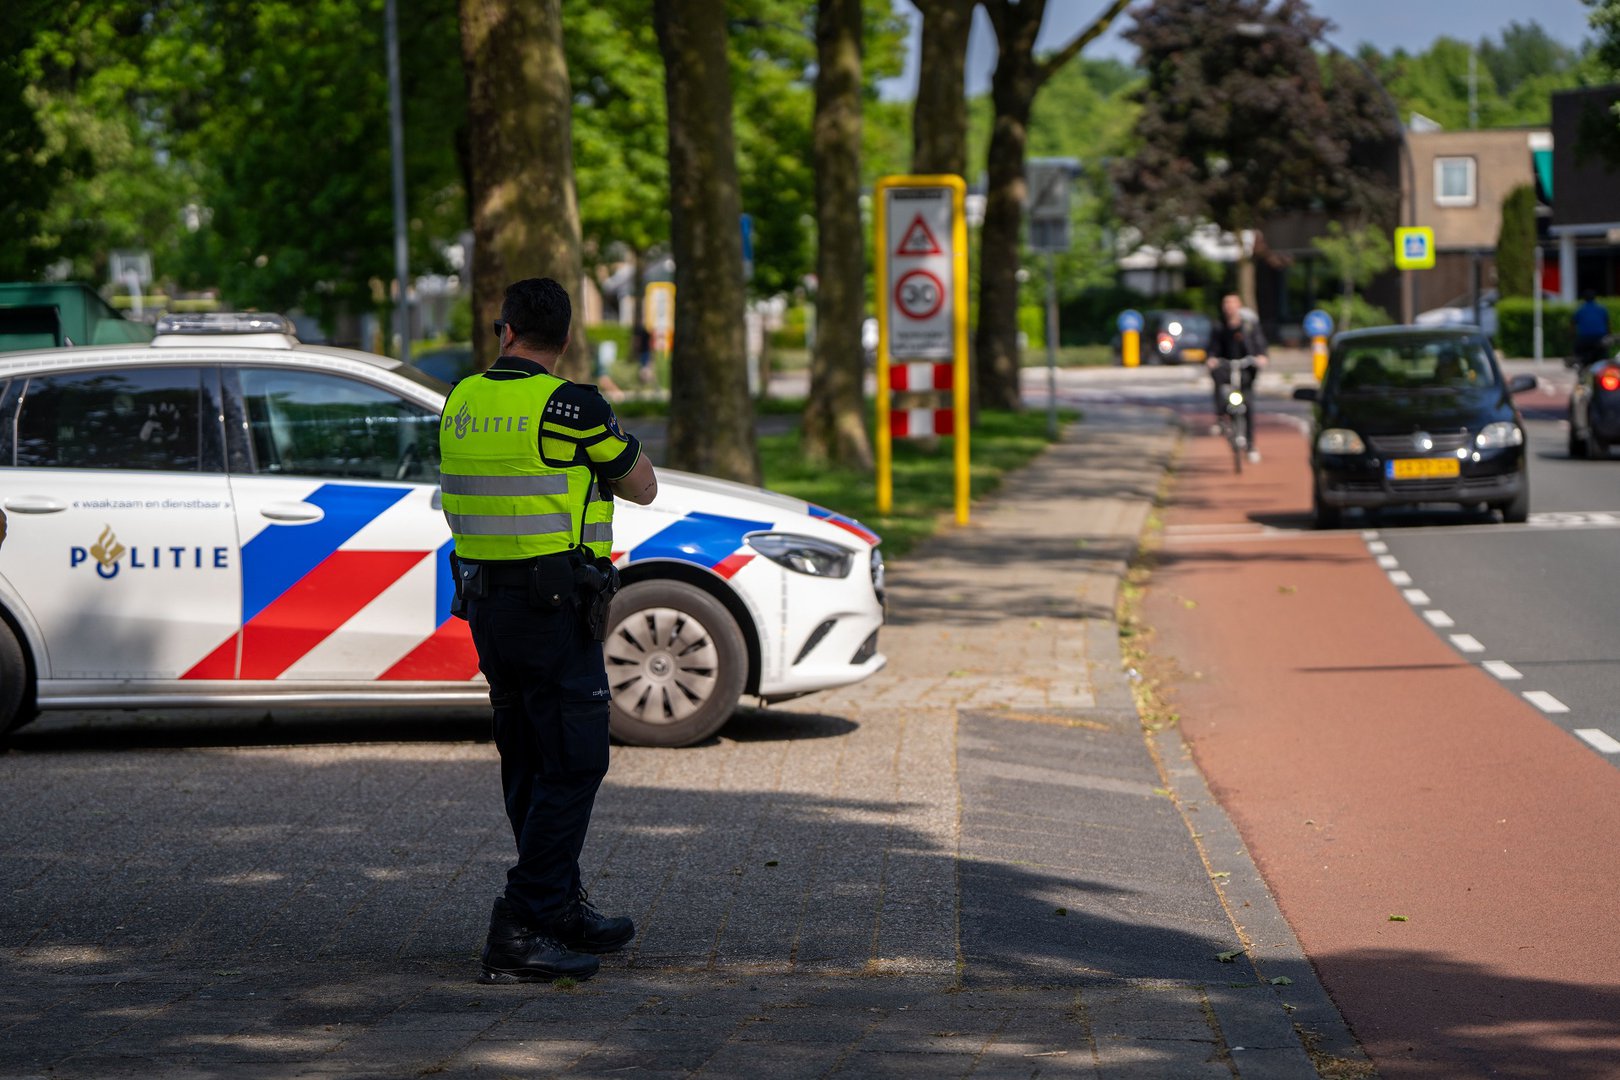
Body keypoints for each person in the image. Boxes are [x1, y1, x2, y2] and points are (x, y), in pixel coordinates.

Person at [439, 277, 658, 985]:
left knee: (528, 759)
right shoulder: (571, 405)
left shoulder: (462, 399)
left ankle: (559, 905)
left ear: (503, 330)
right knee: (574, 762)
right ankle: (522, 922)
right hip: (553, 609)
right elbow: (642, 484)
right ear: (565, 338)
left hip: (487, 609)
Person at [1207, 293, 1269, 463]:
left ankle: (1250, 445)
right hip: (1226, 367)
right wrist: (1211, 358)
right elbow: (1213, 347)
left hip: (1245, 368)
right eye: (1226, 304)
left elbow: (1259, 343)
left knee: (1247, 404)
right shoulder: (1219, 326)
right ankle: (1221, 418)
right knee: (1218, 386)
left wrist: (1261, 356)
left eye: (1232, 304)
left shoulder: (1248, 325)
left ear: (1239, 306)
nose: (1229, 307)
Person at [1572, 291, 1611, 367]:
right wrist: (1608, 334)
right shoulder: (1601, 309)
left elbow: (1573, 324)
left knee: (1579, 355)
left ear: (1584, 299)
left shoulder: (1580, 309)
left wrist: (1573, 336)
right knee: (1603, 357)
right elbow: (1608, 324)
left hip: (1585, 338)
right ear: (1595, 298)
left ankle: (1579, 365)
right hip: (1600, 338)